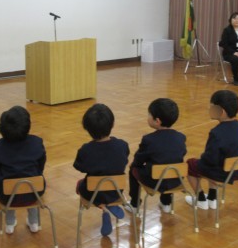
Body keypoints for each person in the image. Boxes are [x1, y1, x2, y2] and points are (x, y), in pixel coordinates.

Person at [184, 90, 238, 210]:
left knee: (190, 164)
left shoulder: (217, 132)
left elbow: (209, 159)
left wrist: (202, 159)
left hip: (221, 174)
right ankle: (212, 198)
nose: (209, 110)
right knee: (218, 161)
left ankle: (201, 199)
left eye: (212, 107)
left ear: (222, 111)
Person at [73, 104, 129, 237]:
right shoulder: (122, 145)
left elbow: (79, 167)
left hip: (93, 193)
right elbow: (124, 160)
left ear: (87, 129)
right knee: (105, 184)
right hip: (116, 191)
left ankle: (103, 208)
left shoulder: (86, 150)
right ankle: (110, 205)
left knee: (81, 184)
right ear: (112, 124)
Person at [0, 106, 46, 235]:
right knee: (32, 179)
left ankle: (9, 223)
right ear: (28, 126)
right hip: (34, 193)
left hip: (7, 195)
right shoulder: (37, 142)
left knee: (5, 181)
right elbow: (41, 165)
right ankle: (34, 222)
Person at [127, 98, 187, 214]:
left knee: (133, 169)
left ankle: (134, 204)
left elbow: (139, 160)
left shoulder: (149, 139)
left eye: (149, 114)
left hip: (154, 181)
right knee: (170, 166)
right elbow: (182, 153)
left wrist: (134, 165)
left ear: (157, 121)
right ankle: (166, 203)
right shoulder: (181, 137)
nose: (147, 117)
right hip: (176, 180)